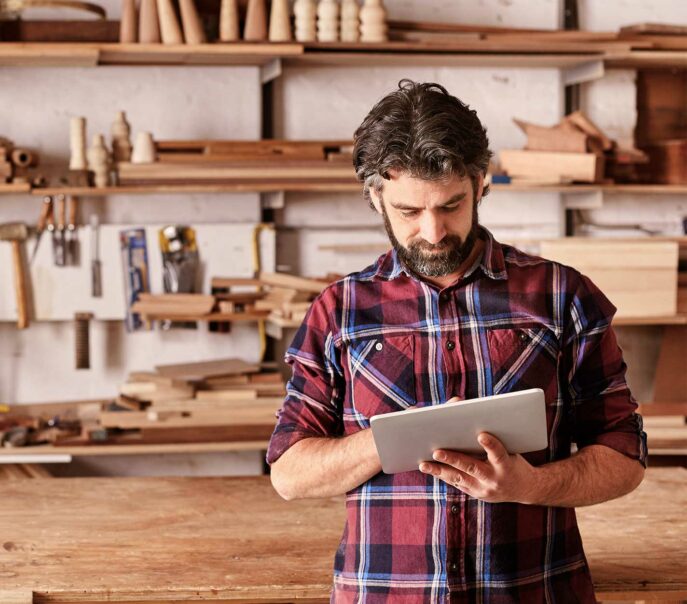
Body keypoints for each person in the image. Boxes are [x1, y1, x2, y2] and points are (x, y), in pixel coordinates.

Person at [267, 80, 647, 603]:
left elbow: (624, 456)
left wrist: (530, 486)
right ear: (375, 196)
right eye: (408, 211)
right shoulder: (338, 310)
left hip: (535, 592)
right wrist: (390, 440)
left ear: (481, 181)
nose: (433, 231)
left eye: (451, 205)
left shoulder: (560, 295)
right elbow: (289, 473)